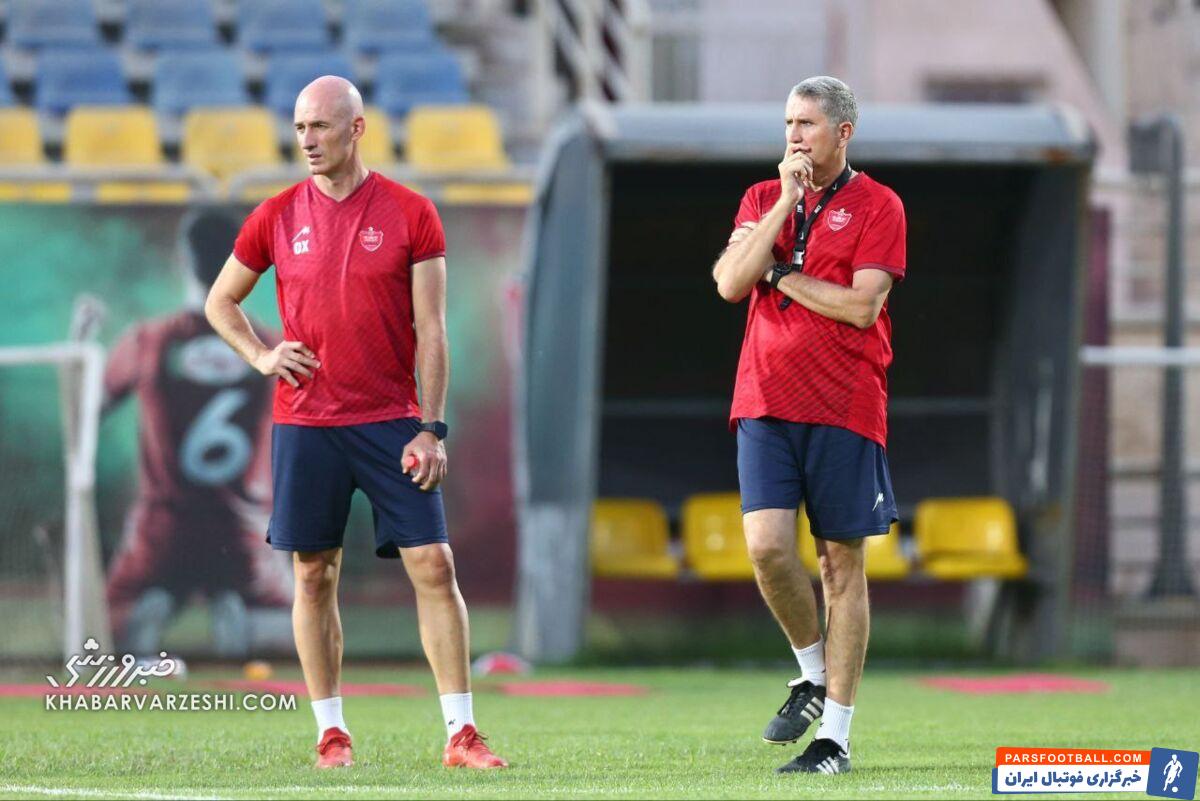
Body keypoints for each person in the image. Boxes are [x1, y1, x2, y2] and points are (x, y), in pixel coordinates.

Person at [205, 76, 508, 771]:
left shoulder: (411, 213)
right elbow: (220, 302)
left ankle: (462, 733)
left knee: (434, 564)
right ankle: (331, 735)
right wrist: (261, 355)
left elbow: (432, 329)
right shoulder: (275, 215)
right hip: (305, 422)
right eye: (299, 128)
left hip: (392, 422)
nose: (307, 140)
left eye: (320, 126)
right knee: (313, 574)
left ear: (357, 128)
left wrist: (432, 427)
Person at [711, 76, 906, 775]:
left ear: (842, 133)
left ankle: (835, 740)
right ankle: (812, 674)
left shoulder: (880, 205)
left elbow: (860, 307)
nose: (794, 135)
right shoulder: (762, 198)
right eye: (789, 123)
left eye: (808, 124)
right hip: (763, 400)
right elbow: (730, 282)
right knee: (766, 547)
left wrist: (779, 276)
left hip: (844, 403)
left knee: (840, 565)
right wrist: (784, 204)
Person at [103, 208, 291, 659]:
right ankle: (246, 616)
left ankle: (155, 604)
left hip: (163, 530)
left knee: (107, 623)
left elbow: (90, 409)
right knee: (298, 627)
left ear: (182, 261)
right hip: (244, 532)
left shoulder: (148, 341)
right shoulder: (270, 345)